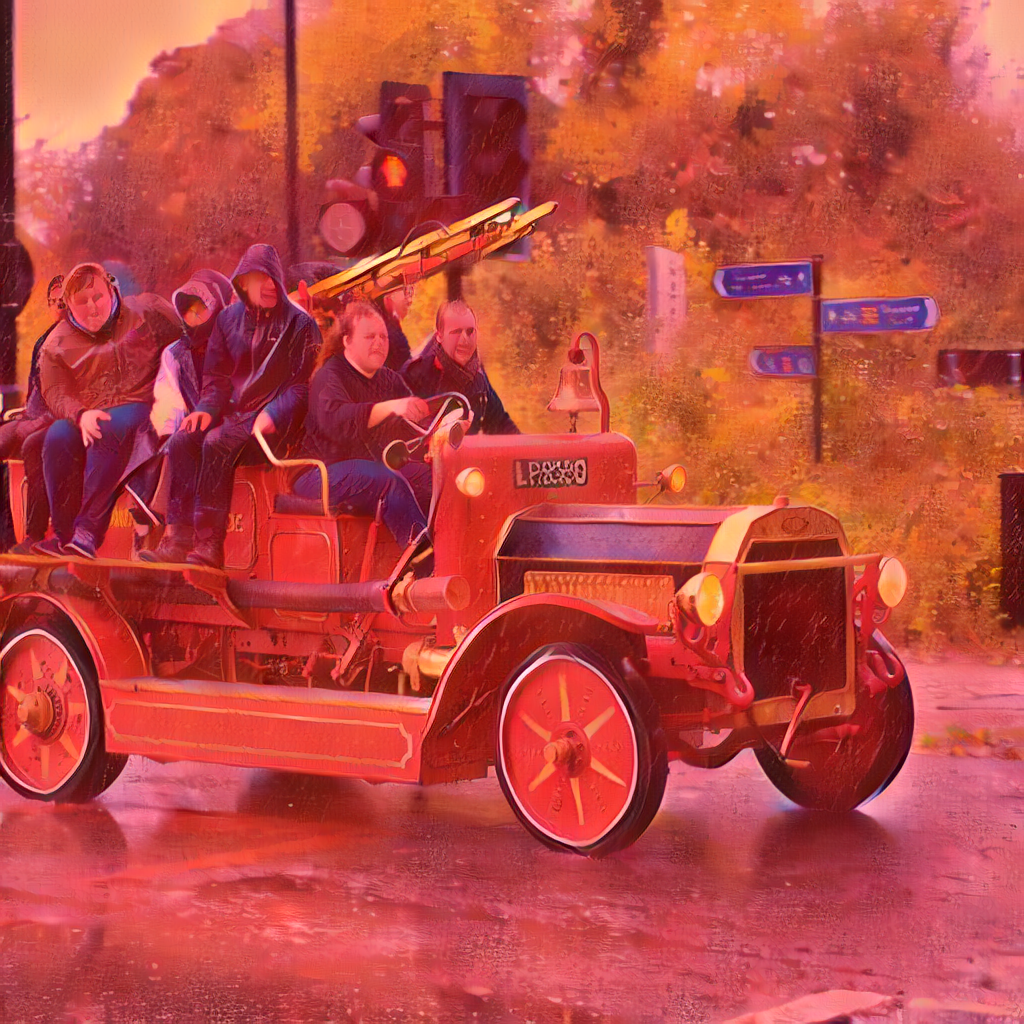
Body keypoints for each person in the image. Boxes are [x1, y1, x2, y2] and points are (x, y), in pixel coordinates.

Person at [160, 244, 319, 569]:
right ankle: (178, 538)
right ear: (243, 282)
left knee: (217, 442)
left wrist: (273, 414)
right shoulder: (227, 320)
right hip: (236, 418)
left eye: (273, 278)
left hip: (279, 425)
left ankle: (209, 546)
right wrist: (205, 409)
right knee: (182, 440)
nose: (270, 285)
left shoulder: (301, 324)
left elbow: (302, 387)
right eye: (261, 279)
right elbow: (216, 379)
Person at [35, 263, 179, 558]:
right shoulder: (55, 344)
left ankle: (88, 532)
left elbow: (189, 335)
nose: (92, 307)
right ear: (68, 306)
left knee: (106, 426)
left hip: (146, 406)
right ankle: (65, 536)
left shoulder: (147, 310)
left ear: (111, 291)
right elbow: (55, 391)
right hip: (91, 411)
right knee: (58, 435)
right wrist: (79, 414)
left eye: (97, 297)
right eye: (82, 302)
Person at [294, 299, 430, 547]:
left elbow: (413, 426)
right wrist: (390, 407)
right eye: (369, 337)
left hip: (368, 468)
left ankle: (451, 553)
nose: (379, 343)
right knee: (387, 480)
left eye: (383, 337)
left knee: (429, 478)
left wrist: (438, 431)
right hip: (318, 474)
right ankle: (423, 559)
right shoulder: (329, 375)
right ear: (347, 341)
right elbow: (336, 422)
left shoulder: (389, 379)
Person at [0, 275, 63, 553]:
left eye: (64, 301)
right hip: (31, 417)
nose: (59, 306)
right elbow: (34, 390)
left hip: (56, 422)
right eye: (54, 301)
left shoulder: (81, 340)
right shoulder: (43, 339)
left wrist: (41, 420)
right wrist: (25, 414)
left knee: (32, 446)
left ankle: (33, 535)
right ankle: (5, 539)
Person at [401, 300, 519, 435]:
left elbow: (501, 424)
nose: (465, 340)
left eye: (470, 331)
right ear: (439, 336)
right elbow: (397, 433)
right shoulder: (414, 375)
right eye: (456, 332)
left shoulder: (478, 376)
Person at [375, 283, 414, 372]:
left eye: (410, 291)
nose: (410, 300)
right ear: (387, 297)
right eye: (405, 291)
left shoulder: (391, 324)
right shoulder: (385, 332)